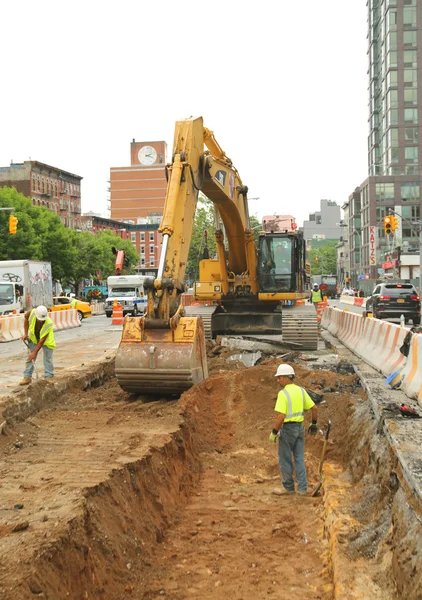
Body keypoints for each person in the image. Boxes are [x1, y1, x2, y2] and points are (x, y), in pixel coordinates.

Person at [269, 364, 318, 496]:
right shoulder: (301, 391)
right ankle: (302, 488)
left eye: (279, 378)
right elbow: (314, 408)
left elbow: (281, 416)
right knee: (299, 458)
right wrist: (313, 424)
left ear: (286, 378)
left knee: (285, 458)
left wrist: (274, 432)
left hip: (287, 429)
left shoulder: (283, 394)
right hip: (300, 428)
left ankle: (288, 488)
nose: (278, 380)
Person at [19, 305, 56, 385]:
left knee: (47, 358)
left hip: (46, 341)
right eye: (39, 319)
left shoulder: (48, 323)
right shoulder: (31, 313)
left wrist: (34, 352)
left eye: (43, 320)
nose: (41, 321)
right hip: (34, 338)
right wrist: (25, 334)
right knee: (30, 358)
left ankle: (49, 376)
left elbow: (42, 340)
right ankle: (27, 377)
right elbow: (26, 320)